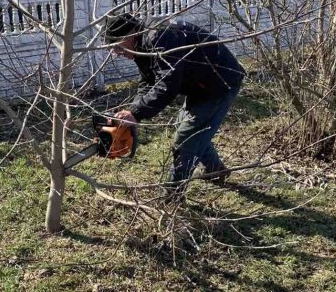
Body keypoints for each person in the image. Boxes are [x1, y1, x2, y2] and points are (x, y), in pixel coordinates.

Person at [103, 13, 245, 196]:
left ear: (128, 35)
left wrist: (137, 114)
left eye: (117, 47)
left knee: (186, 140)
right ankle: (216, 170)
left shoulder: (161, 37)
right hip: (199, 83)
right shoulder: (142, 41)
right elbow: (148, 80)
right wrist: (132, 110)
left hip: (220, 82)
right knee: (189, 130)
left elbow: (167, 84)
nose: (116, 53)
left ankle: (171, 197)